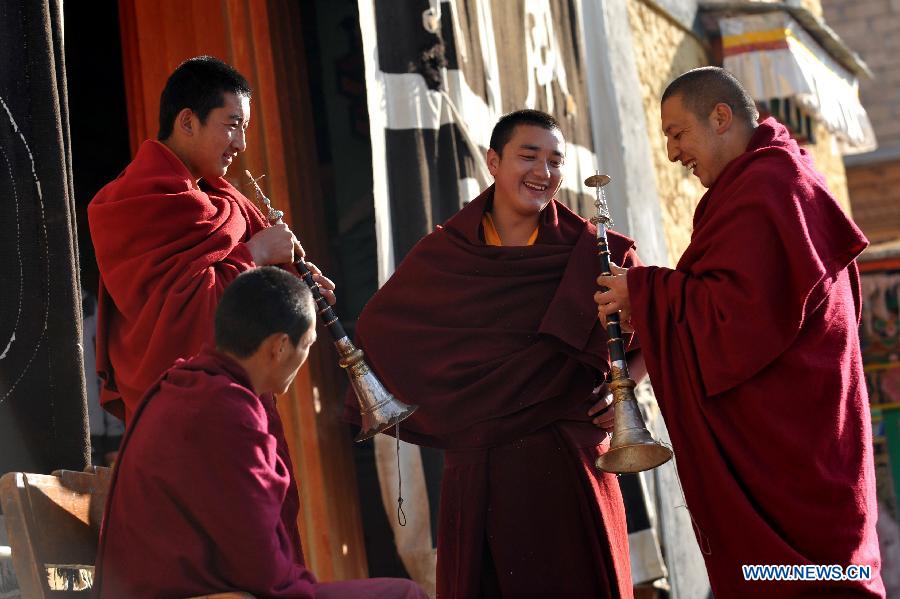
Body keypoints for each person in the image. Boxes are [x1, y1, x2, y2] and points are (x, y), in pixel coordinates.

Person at [595, 66, 884, 597]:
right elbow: (750, 309)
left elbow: (739, 319)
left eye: (677, 133)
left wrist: (645, 293)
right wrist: (655, 302)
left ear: (721, 117)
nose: (672, 153)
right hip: (804, 432)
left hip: (797, 449)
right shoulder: (770, 182)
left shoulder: (772, 187)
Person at [349, 110, 639, 598]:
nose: (542, 174)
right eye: (528, 156)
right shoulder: (448, 252)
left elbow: (650, 325)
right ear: (493, 162)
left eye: (554, 161)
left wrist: (624, 392)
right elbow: (380, 329)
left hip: (569, 459)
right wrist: (447, 403)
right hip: (481, 462)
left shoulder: (590, 249)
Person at [93, 267, 427, 598]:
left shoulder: (181, 385)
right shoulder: (227, 409)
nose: (304, 359)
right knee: (405, 595)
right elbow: (262, 569)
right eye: (307, 344)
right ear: (279, 347)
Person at [88, 55, 332, 425]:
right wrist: (259, 252)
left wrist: (291, 286)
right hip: (181, 411)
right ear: (187, 121)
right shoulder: (134, 202)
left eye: (245, 127)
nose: (242, 143)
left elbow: (229, 294)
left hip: (231, 397)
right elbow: (182, 317)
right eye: (232, 125)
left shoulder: (221, 201)